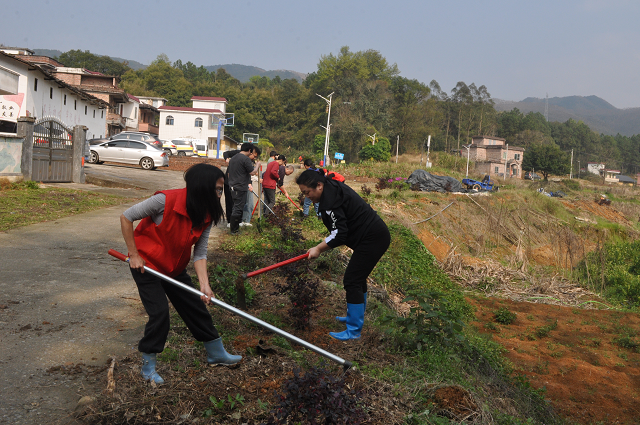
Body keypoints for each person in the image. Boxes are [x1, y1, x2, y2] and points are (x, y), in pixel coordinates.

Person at [119, 163, 242, 384]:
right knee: (160, 315)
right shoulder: (164, 201)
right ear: (201, 186)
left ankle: (216, 353)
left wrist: (204, 285)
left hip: (174, 268)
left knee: (196, 307)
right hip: (147, 266)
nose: (219, 194)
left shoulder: (206, 213)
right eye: (216, 188)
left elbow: (200, 253)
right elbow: (126, 217)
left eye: (221, 189)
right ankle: (148, 367)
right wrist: (133, 254)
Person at [296, 169, 390, 341]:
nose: (306, 197)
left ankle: (353, 330)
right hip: (370, 237)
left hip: (373, 238)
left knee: (352, 280)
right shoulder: (329, 188)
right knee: (358, 278)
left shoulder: (331, 200)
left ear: (319, 185)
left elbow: (340, 234)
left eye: (307, 192)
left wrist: (318, 248)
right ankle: (355, 316)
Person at [227, 143, 261, 234]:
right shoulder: (245, 159)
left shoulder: (233, 158)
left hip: (232, 186)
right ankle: (234, 230)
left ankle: (235, 227)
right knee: (238, 208)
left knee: (236, 207)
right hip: (240, 187)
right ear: (249, 150)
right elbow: (253, 172)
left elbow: (229, 173)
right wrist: (257, 165)